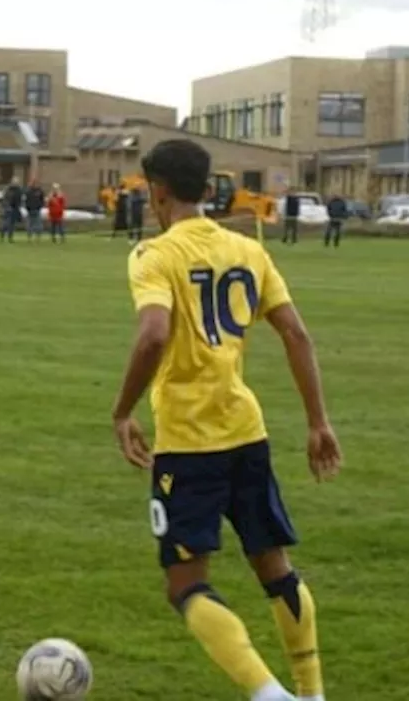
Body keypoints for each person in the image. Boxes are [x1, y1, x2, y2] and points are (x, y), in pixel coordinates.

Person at [112, 139, 341, 701]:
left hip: (189, 442)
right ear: (207, 187)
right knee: (274, 567)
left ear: (158, 190)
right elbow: (296, 333)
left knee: (186, 583)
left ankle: (271, 697)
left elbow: (154, 332)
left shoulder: (153, 254)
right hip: (246, 432)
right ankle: (311, 694)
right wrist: (318, 422)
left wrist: (122, 411)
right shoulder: (248, 251)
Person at [0, 177, 23, 243]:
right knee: (6, 224)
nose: (16, 183)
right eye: (15, 182)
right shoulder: (8, 189)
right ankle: (2, 235)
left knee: (12, 225)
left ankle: (10, 237)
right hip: (8, 208)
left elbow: (19, 199)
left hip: (15, 208)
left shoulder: (19, 190)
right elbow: (5, 199)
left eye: (17, 182)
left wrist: (18, 207)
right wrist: (7, 206)